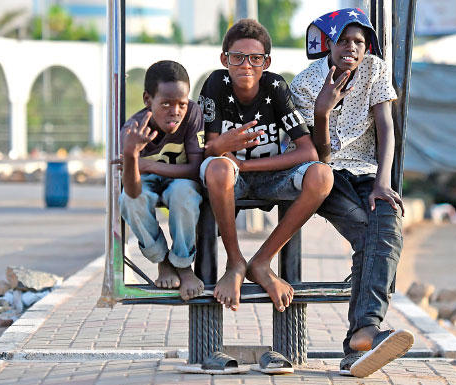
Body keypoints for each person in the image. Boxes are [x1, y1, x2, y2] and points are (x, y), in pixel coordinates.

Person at [290, 8, 414, 377]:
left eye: (359, 41)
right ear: (328, 43)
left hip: (368, 172)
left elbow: (386, 127)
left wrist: (383, 181)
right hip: (323, 173)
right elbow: (317, 155)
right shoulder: (305, 84)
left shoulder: (375, 69)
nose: (352, 48)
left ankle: (362, 337)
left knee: (388, 227)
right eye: (343, 40)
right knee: (368, 236)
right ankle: (362, 335)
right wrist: (323, 111)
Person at [197, 18, 333, 312]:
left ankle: (261, 261)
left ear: (266, 62)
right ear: (224, 59)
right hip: (229, 179)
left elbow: (308, 151)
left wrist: (245, 165)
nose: (246, 65)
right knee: (220, 168)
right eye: (237, 57)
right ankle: (235, 262)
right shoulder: (216, 84)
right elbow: (208, 149)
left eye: (255, 58)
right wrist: (225, 145)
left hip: (270, 176)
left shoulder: (275, 87)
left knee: (322, 176)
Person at [119, 60, 205, 301]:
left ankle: (183, 264)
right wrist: (131, 156)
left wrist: (148, 165)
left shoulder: (192, 114)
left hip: (180, 179)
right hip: (145, 183)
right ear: (148, 100)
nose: (175, 111)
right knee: (129, 201)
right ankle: (163, 260)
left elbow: (195, 169)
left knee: (184, 194)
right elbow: (132, 192)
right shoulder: (133, 131)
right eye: (166, 103)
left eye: (181, 104)